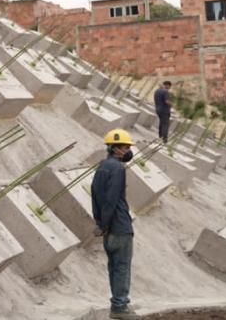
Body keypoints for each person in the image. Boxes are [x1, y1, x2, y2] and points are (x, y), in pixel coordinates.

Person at [92, 129, 137, 319]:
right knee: (122, 267)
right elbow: (111, 200)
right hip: (119, 226)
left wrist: (101, 223)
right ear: (115, 148)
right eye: (125, 147)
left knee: (114, 267)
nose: (128, 150)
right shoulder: (118, 169)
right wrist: (106, 224)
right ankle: (120, 306)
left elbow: (95, 196)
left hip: (108, 228)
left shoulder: (102, 167)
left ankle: (116, 304)